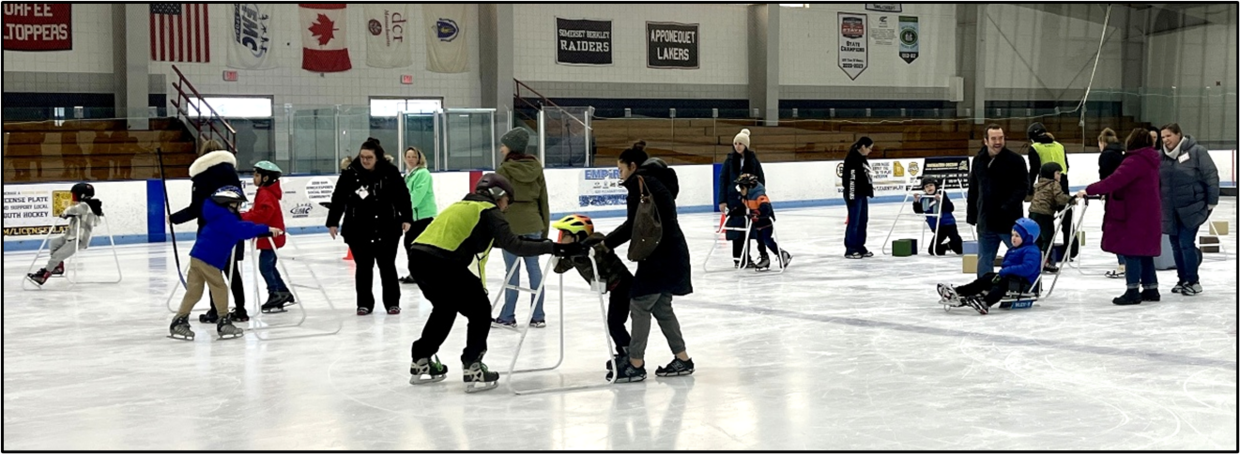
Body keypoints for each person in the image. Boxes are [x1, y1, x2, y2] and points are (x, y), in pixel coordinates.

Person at [406, 174, 585, 393]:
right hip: (445, 263)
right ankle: (473, 364)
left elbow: (499, 241)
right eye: (507, 201)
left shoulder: (461, 205)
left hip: (418, 258)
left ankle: (421, 359)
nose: (506, 207)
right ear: (498, 196)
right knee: (480, 310)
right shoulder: (489, 210)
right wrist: (554, 248)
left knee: (445, 308)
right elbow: (515, 245)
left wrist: (541, 245)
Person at [600, 143, 694, 382]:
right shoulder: (656, 182)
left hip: (659, 255)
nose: (620, 175)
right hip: (671, 251)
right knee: (662, 307)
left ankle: (635, 363)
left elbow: (634, 225)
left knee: (640, 304)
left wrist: (606, 243)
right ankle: (682, 358)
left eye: (621, 170)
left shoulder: (640, 183)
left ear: (633, 167)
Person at [168, 186, 283, 341]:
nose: (239, 207)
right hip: (209, 259)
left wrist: (261, 229)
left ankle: (179, 320)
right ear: (228, 203)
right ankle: (224, 321)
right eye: (237, 204)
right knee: (219, 287)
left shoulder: (217, 214)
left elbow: (240, 227)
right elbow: (240, 230)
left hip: (197, 257)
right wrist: (266, 228)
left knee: (194, 291)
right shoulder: (224, 217)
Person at [326, 138, 413, 316]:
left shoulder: (390, 172)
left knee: (387, 266)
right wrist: (333, 221)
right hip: (358, 229)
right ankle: (364, 303)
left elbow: (402, 196)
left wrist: (406, 218)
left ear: (377, 158)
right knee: (364, 267)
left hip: (387, 227)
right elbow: (339, 198)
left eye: (369, 157)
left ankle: (392, 303)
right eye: (362, 157)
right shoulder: (351, 173)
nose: (365, 160)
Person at [1078, 128, 1163, 305]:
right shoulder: (1151, 160)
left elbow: (1114, 180)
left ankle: (1132, 290)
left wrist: (1089, 190)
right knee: (1145, 252)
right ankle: (1151, 288)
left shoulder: (1135, 161)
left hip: (1134, 213)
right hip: (1149, 211)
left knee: (1131, 251)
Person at [170, 140, 249, 323]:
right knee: (232, 270)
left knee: (213, 272)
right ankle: (241, 309)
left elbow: (197, 207)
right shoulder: (232, 173)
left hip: (212, 231)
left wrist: (175, 218)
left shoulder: (202, 176)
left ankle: (216, 311)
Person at [550, 214, 635, 379]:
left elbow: (598, 246)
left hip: (624, 286)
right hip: (615, 289)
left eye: (565, 235)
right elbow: (559, 268)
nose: (561, 238)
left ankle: (631, 356)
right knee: (614, 324)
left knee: (615, 324)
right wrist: (557, 251)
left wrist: (584, 248)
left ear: (579, 235)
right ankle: (626, 353)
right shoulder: (574, 254)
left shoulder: (595, 244)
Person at [493, 128, 552, 329]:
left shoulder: (503, 170)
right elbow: (544, 199)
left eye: (503, 145)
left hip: (510, 225)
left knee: (512, 271)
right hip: (533, 222)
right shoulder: (536, 168)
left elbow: (497, 201)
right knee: (533, 268)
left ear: (511, 147)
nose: (501, 149)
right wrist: (544, 228)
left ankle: (508, 315)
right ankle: (538, 316)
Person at [1158, 123, 1220, 297]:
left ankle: (1193, 281)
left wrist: (1211, 202)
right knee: (1175, 246)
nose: (1165, 140)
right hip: (1170, 209)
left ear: (1179, 135)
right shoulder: (1162, 156)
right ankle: (1182, 279)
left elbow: (1211, 176)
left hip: (1193, 208)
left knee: (1186, 244)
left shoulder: (1197, 152)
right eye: (1163, 137)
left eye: (1168, 136)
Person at [936, 218, 1042, 315]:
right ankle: (958, 291)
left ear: (1028, 237)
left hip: (1025, 283)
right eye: (1012, 235)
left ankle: (985, 302)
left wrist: (1007, 271)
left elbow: (1027, 268)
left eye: (1017, 236)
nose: (1013, 238)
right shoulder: (1015, 249)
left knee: (1003, 284)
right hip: (1013, 278)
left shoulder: (1031, 251)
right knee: (987, 277)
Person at [966, 124, 1029, 278]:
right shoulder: (978, 161)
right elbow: (974, 189)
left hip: (1009, 222)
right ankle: (984, 287)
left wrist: (1006, 207)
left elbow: (1023, 187)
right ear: (986, 141)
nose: (998, 142)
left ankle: (1023, 286)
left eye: (1000, 138)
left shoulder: (1016, 160)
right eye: (993, 138)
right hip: (986, 221)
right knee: (984, 259)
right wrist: (972, 215)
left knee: (1019, 257)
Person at [26, 183, 104, 286]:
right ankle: (58, 267)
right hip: (70, 236)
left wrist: (65, 213)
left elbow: (70, 210)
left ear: (82, 195)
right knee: (54, 243)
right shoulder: (86, 205)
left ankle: (44, 274)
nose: (73, 198)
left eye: (74, 195)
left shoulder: (85, 206)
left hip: (78, 239)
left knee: (57, 255)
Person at [242, 161, 293, 313]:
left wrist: (243, 216)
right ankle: (282, 291)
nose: (253, 178)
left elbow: (264, 214)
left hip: (271, 235)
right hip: (271, 235)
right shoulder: (266, 191)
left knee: (265, 266)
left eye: (257, 175)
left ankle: (275, 293)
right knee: (269, 266)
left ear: (266, 178)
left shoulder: (265, 193)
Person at [718, 129, 768, 268]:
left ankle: (746, 258)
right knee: (736, 230)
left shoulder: (753, 161)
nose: (737, 146)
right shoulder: (729, 161)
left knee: (748, 229)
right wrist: (722, 200)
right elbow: (723, 180)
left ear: (746, 145)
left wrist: (759, 196)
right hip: (733, 200)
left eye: (740, 143)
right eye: (735, 143)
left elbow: (760, 179)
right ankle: (738, 259)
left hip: (749, 200)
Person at [1025, 123, 1075, 258]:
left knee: (1044, 220)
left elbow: (1034, 170)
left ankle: (1043, 252)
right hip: (1063, 184)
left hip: (1045, 188)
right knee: (1067, 220)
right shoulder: (1059, 146)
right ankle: (1071, 250)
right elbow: (1066, 166)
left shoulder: (1035, 148)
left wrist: (1029, 190)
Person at [735, 173, 792, 270]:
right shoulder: (745, 197)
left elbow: (766, 207)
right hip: (756, 223)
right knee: (759, 241)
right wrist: (734, 211)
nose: (740, 190)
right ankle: (764, 258)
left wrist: (758, 212)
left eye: (741, 187)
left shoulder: (759, 195)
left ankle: (782, 254)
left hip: (766, 222)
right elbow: (743, 208)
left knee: (767, 240)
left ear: (749, 186)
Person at [399, 147, 437, 284]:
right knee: (410, 244)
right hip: (413, 217)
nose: (410, 159)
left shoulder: (423, 173)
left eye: (413, 156)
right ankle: (416, 273)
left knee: (415, 245)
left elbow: (417, 195)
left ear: (419, 158)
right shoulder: (408, 175)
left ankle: (420, 273)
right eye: (408, 156)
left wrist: (403, 209)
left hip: (423, 216)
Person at [1027, 163, 1073, 273]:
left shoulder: (1039, 184)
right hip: (1044, 214)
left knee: (1037, 238)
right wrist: (1071, 199)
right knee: (1048, 238)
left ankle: (1036, 260)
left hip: (1033, 213)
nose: (1059, 176)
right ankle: (1045, 261)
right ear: (1051, 174)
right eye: (1057, 173)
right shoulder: (1054, 184)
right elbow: (1059, 197)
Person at [1097, 128, 1126, 278]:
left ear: (1102, 142)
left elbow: (1105, 176)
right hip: (1124, 196)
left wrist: (1103, 191)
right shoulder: (1121, 153)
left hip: (1114, 196)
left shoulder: (1106, 155)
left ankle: (1123, 263)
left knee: (1114, 229)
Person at [842, 136, 875, 259]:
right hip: (854, 195)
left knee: (863, 221)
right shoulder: (852, 159)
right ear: (863, 147)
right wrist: (851, 197)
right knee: (854, 222)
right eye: (869, 148)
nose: (870, 151)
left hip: (861, 194)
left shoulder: (862, 159)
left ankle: (860, 246)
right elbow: (850, 179)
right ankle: (851, 248)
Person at [912, 177, 963, 256]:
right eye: (926, 187)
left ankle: (956, 243)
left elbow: (950, 208)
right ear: (924, 189)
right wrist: (916, 201)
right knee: (932, 250)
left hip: (948, 224)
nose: (929, 188)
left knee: (959, 248)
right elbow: (919, 211)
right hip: (936, 227)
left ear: (935, 186)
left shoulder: (942, 194)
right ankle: (949, 246)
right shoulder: (924, 198)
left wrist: (941, 200)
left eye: (931, 185)